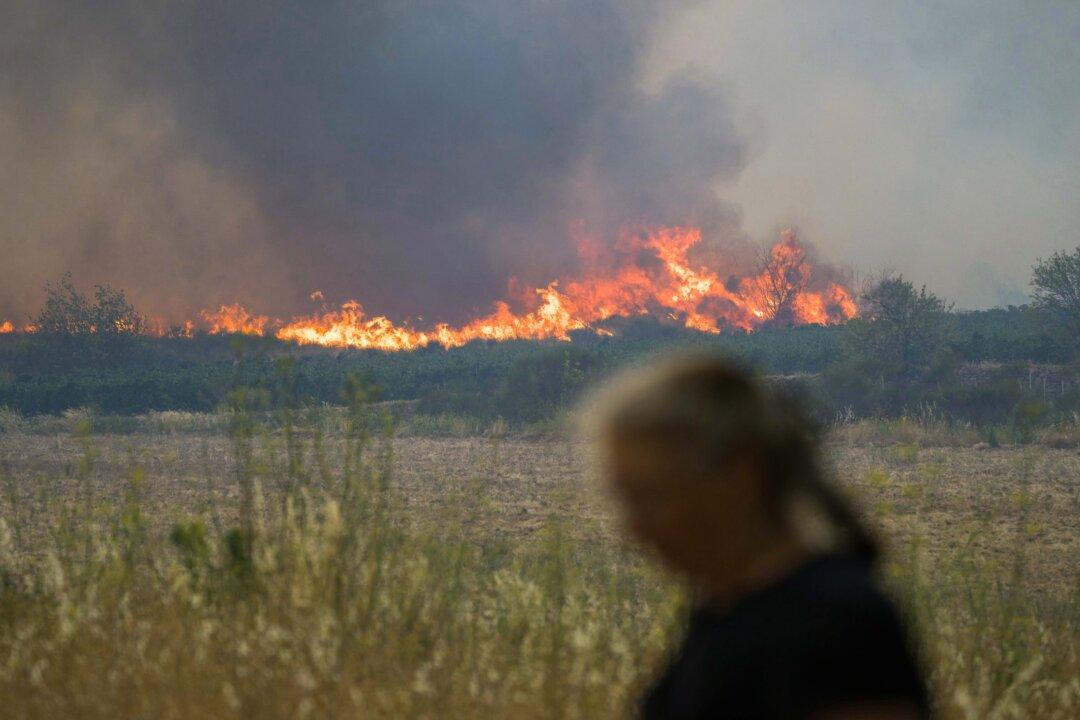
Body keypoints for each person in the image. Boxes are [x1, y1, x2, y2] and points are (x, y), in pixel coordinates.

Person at [590, 355, 929, 720]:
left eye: (652, 496)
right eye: (625, 499)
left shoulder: (834, 622)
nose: (634, 529)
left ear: (741, 475)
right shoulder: (724, 609)